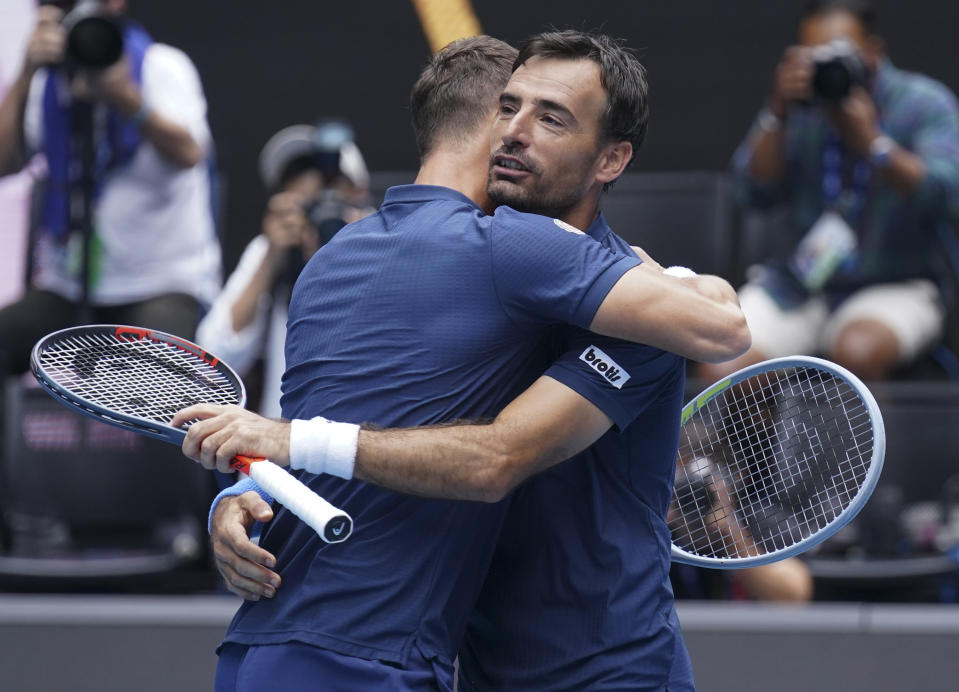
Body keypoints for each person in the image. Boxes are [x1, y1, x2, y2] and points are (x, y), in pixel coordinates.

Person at [176, 33, 748, 690]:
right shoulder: (434, 258)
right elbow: (361, 413)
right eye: (508, 109)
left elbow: (494, 459)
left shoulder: (635, 313)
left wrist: (682, 281)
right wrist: (247, 491)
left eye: (549, 117)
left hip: (611, 671)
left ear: (609, 159)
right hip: (468, 667)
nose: (515, 131)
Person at [703, 0, 959, 384]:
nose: (827, 66)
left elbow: (946, 193)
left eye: (841, 52)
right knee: (725, 363)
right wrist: (777, 113)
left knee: (856, 352)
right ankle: (756, 447)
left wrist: (875, 145)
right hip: (799, 285)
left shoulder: (922, 103)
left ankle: (876, 448)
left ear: (874, 48)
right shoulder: (801, 105)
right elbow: (750, 192)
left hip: (896, 281)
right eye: (815, 55)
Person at [0, 0, 221, 377]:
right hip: (67, 285)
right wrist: (26, 71)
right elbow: (5, 164)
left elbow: (190, 153)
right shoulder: (48, 82)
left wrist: (125, 98)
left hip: (160, 284)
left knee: (164, 381)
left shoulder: (162, 66)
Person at [196, 121, 373, 417]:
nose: (319, 222)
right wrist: (272, 257)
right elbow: (213, 360)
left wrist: (357, 250)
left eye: (329, 208)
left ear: (358, 197)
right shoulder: (269, 251)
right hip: (281, 448)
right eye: (307, 210)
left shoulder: (384, 244)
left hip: (362, 442)